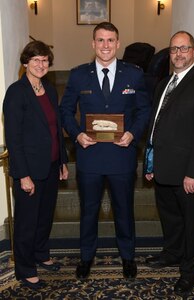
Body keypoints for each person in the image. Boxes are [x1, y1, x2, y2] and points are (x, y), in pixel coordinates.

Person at [60, 22, 150, 280]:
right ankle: (86, 257)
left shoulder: (133, 74)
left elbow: (144, 110)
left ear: (118, 43)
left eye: (110, 40)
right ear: (93, 44)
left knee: (125, 210)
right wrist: (77, 134)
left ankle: (127, 257)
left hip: (123, 156)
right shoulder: (78, 75)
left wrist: (133, 133)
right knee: (88, 212)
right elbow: (65, 111)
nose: (106, 45)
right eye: (100, 40)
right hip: (90, 157)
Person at [144, 31, 194, 297]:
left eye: (184, 48)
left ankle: (189, 272)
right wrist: (150, 162)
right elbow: (155, 127)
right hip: (163, 168)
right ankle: (172, 254)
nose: (178, 53)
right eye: (174, 49)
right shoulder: (163, 83)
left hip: (187, 173)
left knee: (191, 224)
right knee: (170, 218)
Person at [3, 40, 68, 290]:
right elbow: (14, 138)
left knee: (44, 217)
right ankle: (25, 267)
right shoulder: (16, 92)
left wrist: (62, 160)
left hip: (51, 166)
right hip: (29, 171)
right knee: (27, 221)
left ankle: (41, 254)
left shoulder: (49, 89)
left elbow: (56, 130)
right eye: (36, 60)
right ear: (25, 63)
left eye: (45, 60)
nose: (41, 64)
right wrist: (23, 175)